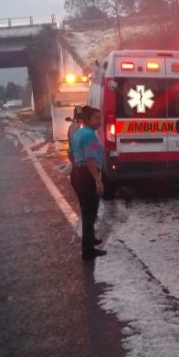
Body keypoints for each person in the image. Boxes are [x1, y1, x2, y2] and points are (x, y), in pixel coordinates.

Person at [69, 105, 106, 261]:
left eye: (100, 118)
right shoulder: (90, 136)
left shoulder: (78, 133)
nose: (100, 121)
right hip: (87, 175)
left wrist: (77, 166)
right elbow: (90, 159)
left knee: (87, 210)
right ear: (88, 119)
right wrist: (97, 180)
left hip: (77, 173)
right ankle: (88, 249)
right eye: (97, 118)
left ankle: (90, 239)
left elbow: (69, 154)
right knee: (90, 213)